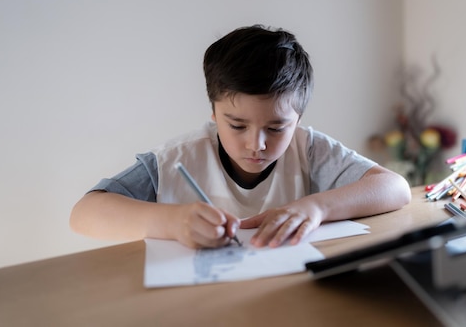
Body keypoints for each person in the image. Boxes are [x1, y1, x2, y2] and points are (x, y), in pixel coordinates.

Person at [69, 25, 411, 249]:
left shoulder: (308, 149)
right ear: (214, 112)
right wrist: (172, 222)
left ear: (298, 119)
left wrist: (316, 207)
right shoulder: (178, 159)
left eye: (276, 128)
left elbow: (395, 188)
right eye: (236, 125)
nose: (256, 144)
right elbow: (84, 213)